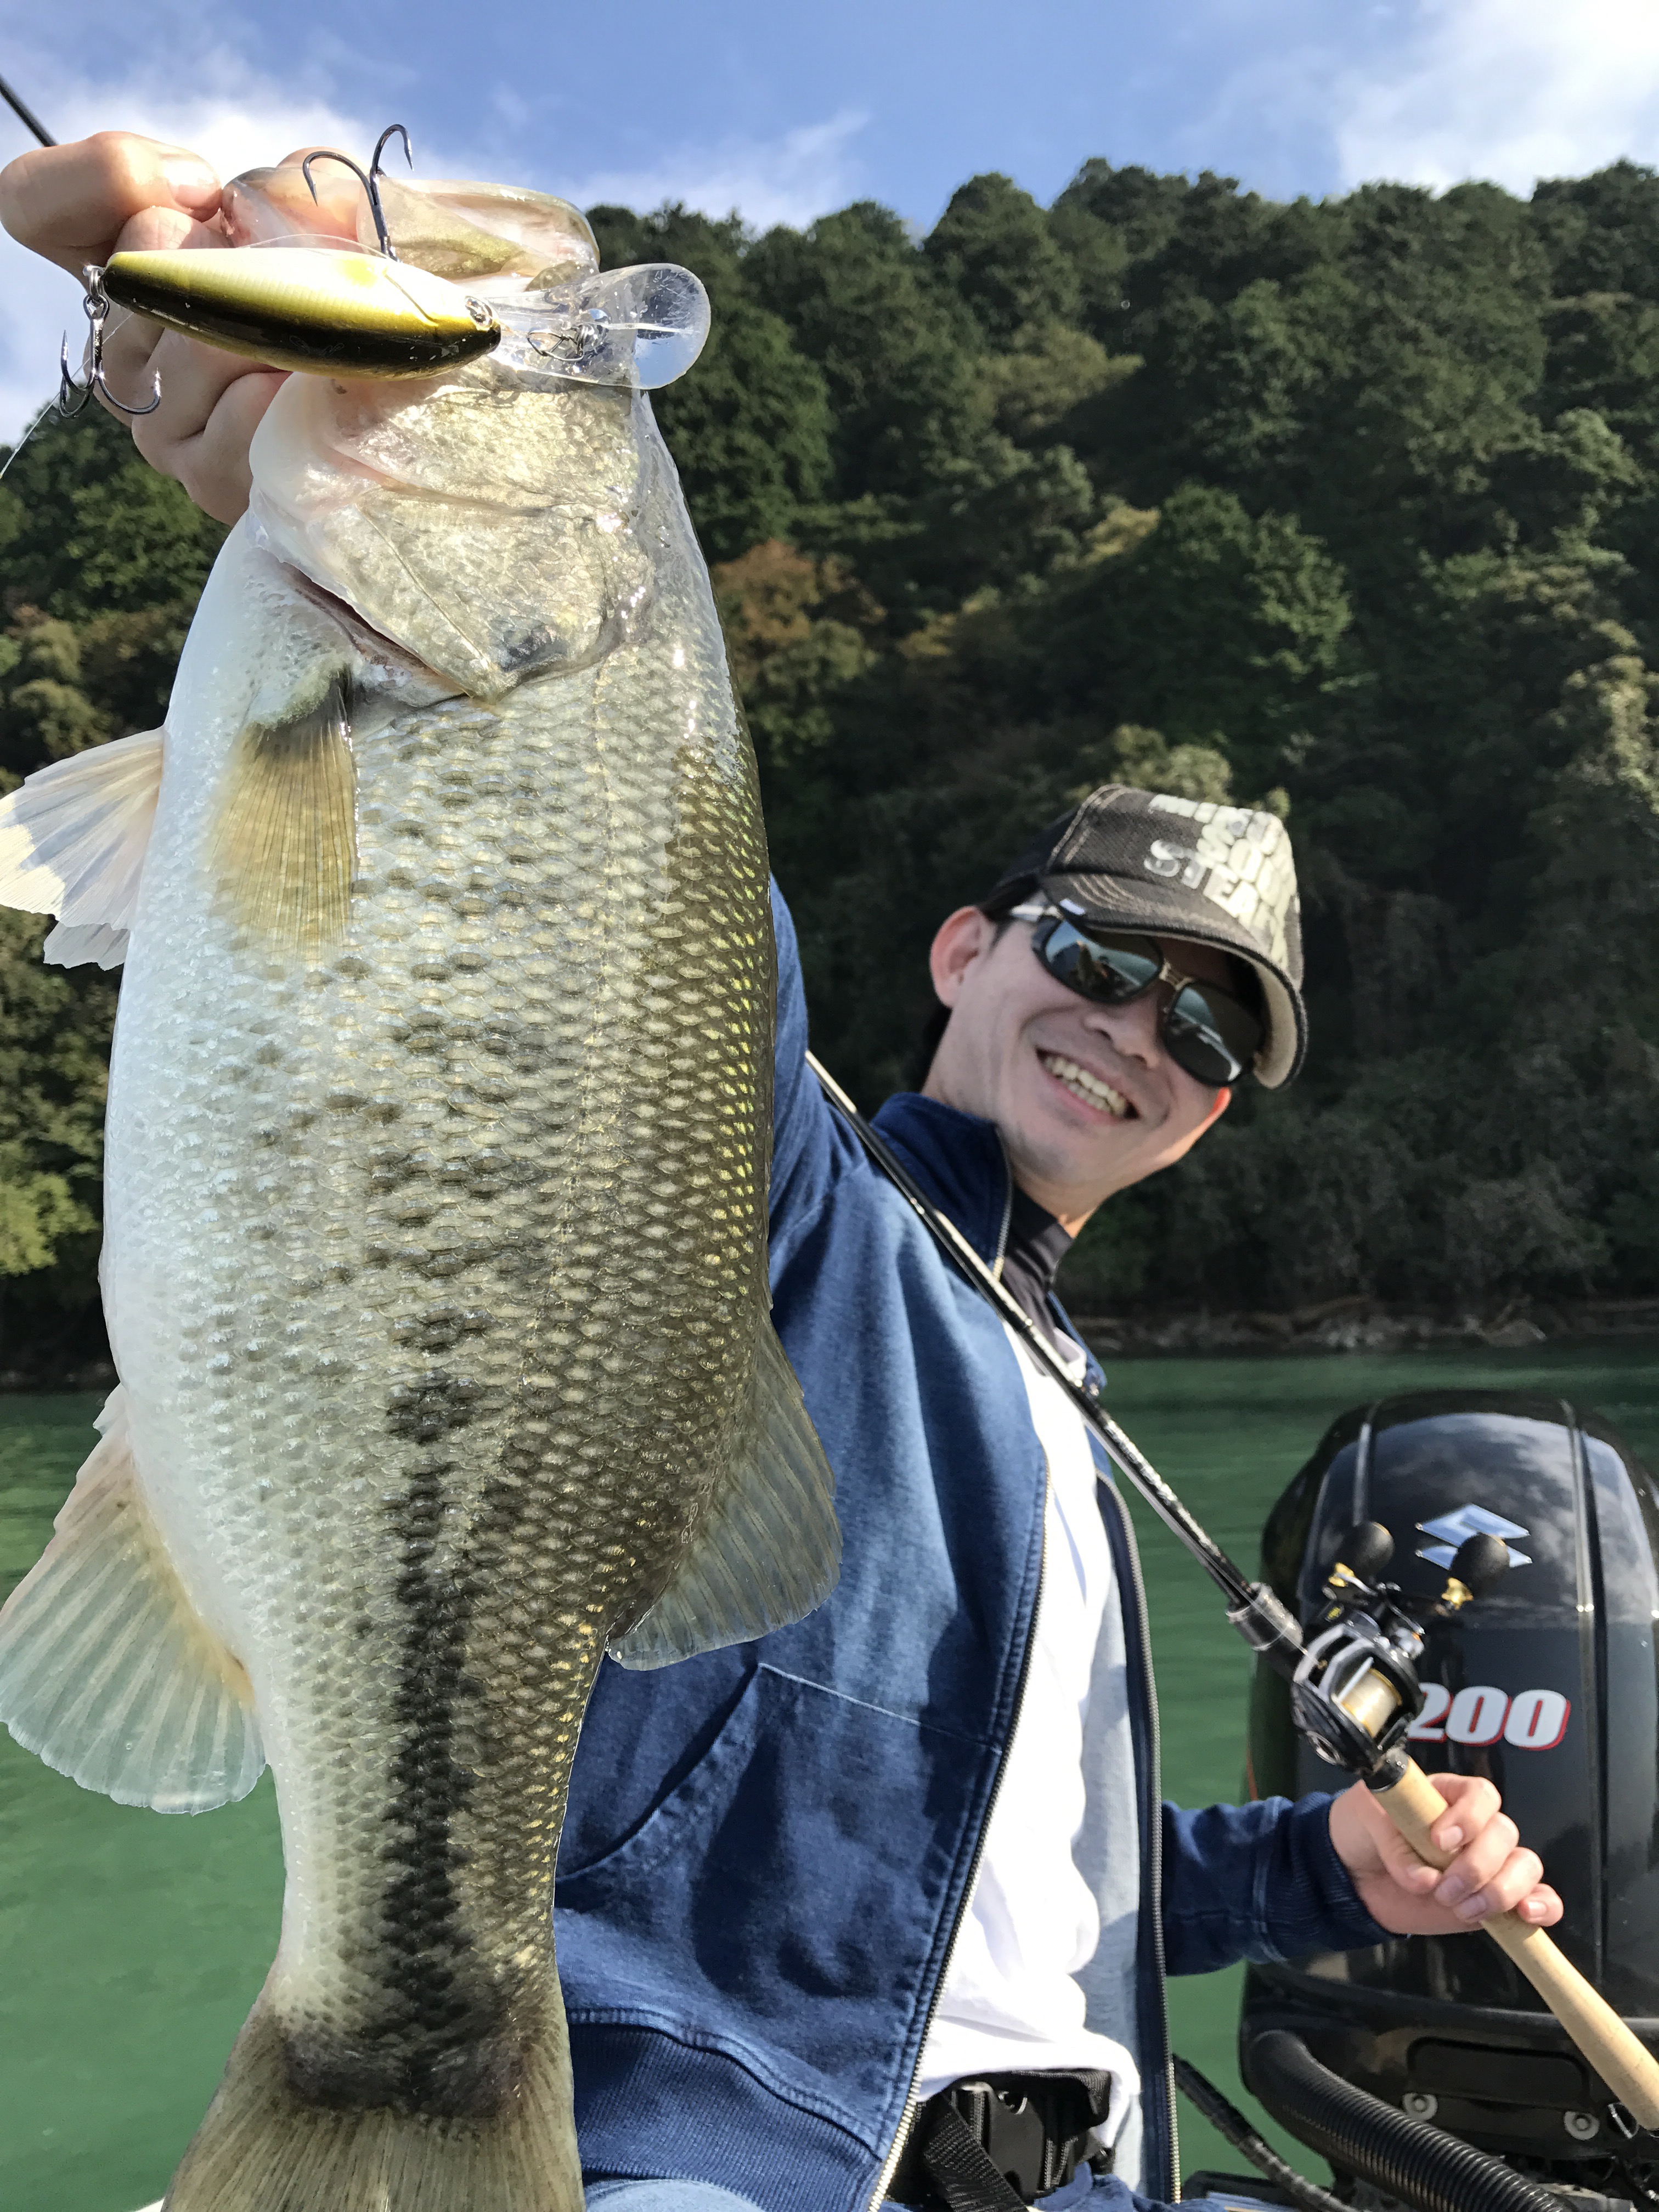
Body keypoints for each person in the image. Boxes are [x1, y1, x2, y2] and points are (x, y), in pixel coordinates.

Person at [1, 134, 1562, 2212]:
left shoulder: (1067, 1407)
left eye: (1211, 1036)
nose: (1139, 1035)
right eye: (1102, 962)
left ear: (1215, 1117)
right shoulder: (801, 1195)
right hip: (732, 2163)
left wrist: (1320, 1868)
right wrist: (271, 412)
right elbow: (635, 939)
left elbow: (985, 1860)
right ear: (963, 953)